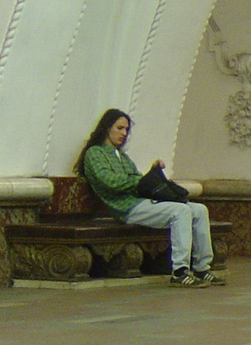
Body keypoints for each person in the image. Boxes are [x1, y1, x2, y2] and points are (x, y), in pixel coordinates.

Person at [78, 108, 222, 287]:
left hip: (141, 202)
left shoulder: (122, 156)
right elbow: (110, 182)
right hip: (125, 208)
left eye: (126, 130)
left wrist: (151, 174)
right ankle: (180, 271)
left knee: (199, 209)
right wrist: (141, 180)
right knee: (180, 211)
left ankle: (202, 267)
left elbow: (137, 179)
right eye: (120, 128)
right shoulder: (95, 153)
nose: (124, 133)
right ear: (107, 127)